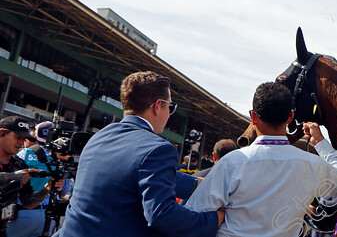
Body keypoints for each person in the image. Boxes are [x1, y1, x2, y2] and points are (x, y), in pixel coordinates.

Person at [57, 71, 224, 237]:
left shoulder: (100, 136)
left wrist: (199, 184)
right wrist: (215, 218)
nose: (169, 114)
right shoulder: (158, 148)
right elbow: (163, 216)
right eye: (170, 107)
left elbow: (132, 174)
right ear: (158, 106)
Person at [185, 82, 337, 237]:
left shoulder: (232, 162)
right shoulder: (312, 165)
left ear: (253, 117)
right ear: (290, 117)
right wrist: (321, 144)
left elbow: (194, 212)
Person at [0, 117, 56, 237]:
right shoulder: (18, 170)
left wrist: (47, 188)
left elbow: (27, 202)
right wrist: (12, 176)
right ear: (2, 133)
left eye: (23, 139)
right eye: (18, 137)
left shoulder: (18, 163)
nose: (21, 143)